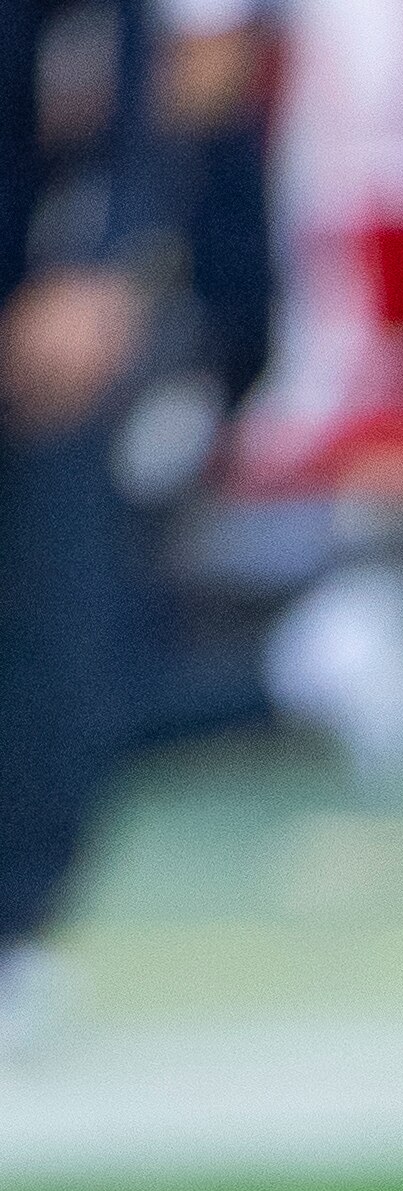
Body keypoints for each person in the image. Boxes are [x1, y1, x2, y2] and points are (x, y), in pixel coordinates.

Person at [0, 0, 173, 1059]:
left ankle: (15, 916)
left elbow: (133, 86)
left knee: (63, 634)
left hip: (26, 304)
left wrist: (99, 264)